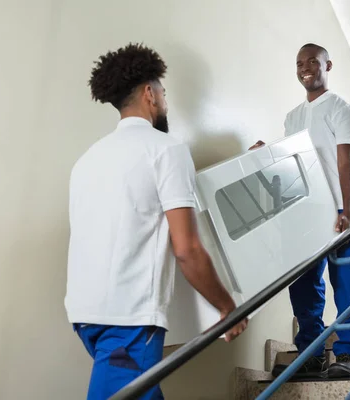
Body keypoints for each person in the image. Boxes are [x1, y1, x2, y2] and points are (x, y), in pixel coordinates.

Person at [65, 43, 248, 400]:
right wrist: (227, 308)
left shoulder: (88, 159)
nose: (165, 100)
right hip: (129, 320)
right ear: (150, 93)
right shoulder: (165, 148)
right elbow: (187, 250)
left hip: (86, 315)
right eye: (163, 92)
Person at [250, 43, 350, 379]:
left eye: (313, 61)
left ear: (328, 65)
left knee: (345, 284)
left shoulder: (342, 108)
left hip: (342, 209)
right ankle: (311, 354)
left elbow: (345, 161)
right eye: (300, 63)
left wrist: (349, 210)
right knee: (304, 287)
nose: (305, 67)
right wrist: (266, 151)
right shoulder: (293, 117)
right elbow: (294, 163)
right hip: (305, 214)